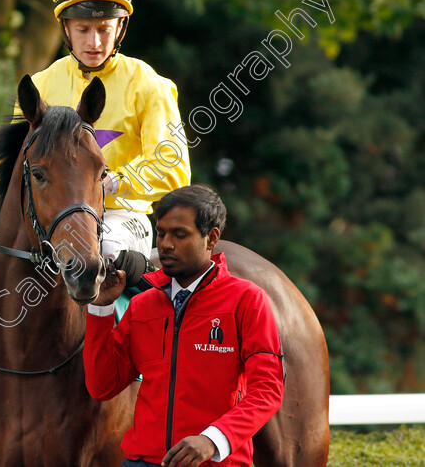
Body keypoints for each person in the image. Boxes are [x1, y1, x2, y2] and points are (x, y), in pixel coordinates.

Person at [0, 0, 191, 301]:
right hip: (48, 219)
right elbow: (6, 171)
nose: (94, 42)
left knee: (102, 254)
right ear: (65, 28)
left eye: (105, 29)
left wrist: (116, 181)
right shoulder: (40, 85)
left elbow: (175, 168)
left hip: (122, 215)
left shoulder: (151, 86)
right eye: (83, 29)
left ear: (120, 27)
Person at [83, 185, 284, 467]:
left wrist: (213, 439)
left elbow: (268, 390)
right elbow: (101, 387)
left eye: (180, 234)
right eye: (161, 233)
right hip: (140, 461)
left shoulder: (247, 300)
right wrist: (101, 309)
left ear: (211, 238)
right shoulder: (142, 305)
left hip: (213, 462)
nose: (165, 244)